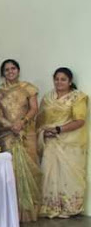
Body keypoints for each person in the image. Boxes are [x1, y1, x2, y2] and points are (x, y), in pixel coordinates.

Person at [0, 59, 42, 222]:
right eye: (6, 69)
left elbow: (34, 108)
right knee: (11, 171)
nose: (10, 72)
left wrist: (21, 122)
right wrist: (10, 126)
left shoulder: (28, 88)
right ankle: (13, 212)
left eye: (13, 68)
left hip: (26, 133)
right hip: (6, 135)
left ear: (18, 70)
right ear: (3, 73)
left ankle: (30, 211)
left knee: (31, 169)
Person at [36, 67, 88, 219]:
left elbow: (80, 121)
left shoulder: (78, 97)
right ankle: (51, 206)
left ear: (70, 82)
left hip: (70, 144)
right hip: (50, 143)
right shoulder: (47, 98)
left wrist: (58, 129)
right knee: (48, 174)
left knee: (70, 176)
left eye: (63, 79)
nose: (59, 82)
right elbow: (39, 122)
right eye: (56, 79)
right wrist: (43, 132)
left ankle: (70, 207)